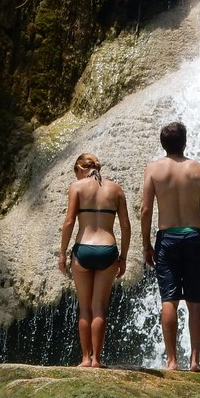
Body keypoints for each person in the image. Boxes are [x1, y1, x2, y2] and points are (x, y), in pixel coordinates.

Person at [140, 121, 200, 372]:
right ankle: (195, 361)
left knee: (169, 300)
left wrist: (145, 244)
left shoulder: (153, 170)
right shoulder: (198, 169)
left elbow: (145, 210)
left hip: (168, 237)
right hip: (195, 236)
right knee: (195, 301)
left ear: (163, 144)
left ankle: (172, 361)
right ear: (185, 142)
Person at [59, 153, 131, 368]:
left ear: (80, 169)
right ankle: (98, 360)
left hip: (84, 248)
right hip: (108, 249)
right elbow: (126, 226)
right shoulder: (116, 189)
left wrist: (62, 252)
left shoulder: (77, 187)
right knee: (99, 308)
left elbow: (70, 221)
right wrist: (123, 257)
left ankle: (85, 359)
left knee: (85, 309)